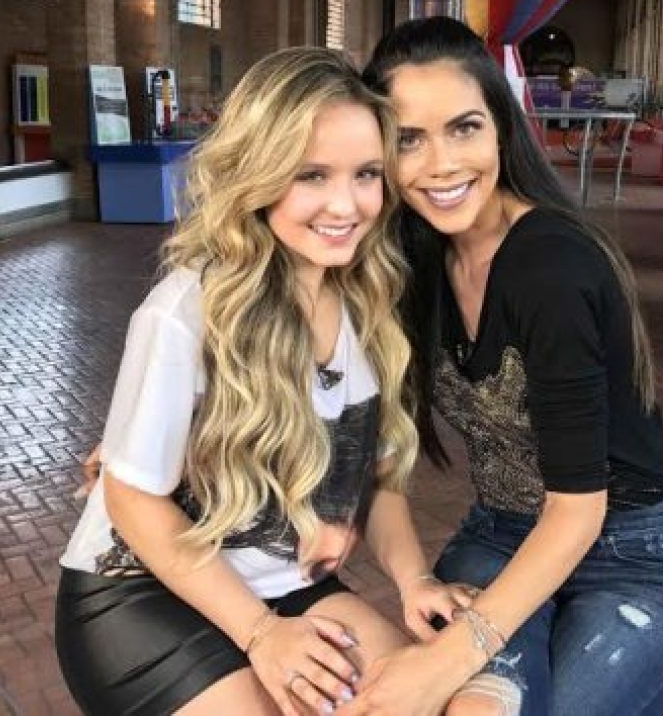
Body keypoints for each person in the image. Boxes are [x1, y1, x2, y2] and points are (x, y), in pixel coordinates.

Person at [56, 48, 496, 716]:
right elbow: (131, 500)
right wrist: (260, 635)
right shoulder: (185, 312)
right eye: (311, 175)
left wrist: (415, 581)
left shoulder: (372, 303)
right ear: (259, 175)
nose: (345, 204)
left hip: (287, 588)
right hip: (141, 594)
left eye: (366, 174)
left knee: (426, 701)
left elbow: (376, 480)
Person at [340, 17, 663, 716]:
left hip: (632, 555)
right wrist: (412, 578)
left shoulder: (552, 266)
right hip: (503, 534)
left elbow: (577, 510)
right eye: (408, 139)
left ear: (501, 128)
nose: (441, 164)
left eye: (464, 128)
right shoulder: (411, 263)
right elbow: (382, 457)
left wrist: (448, 658)